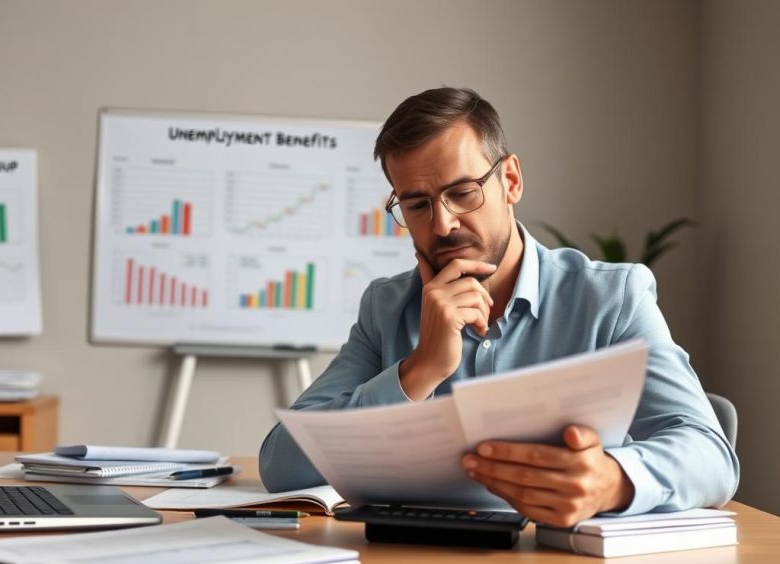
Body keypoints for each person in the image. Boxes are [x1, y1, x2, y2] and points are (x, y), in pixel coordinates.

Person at [259, 87, 739, 527]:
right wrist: (419, 370)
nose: (443, 224)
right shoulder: (387, 308)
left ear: (510, 181)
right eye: (417, 205)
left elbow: (710, 455)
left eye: (462, 193)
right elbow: (281, 465)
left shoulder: (610, 299)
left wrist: (609, 481)